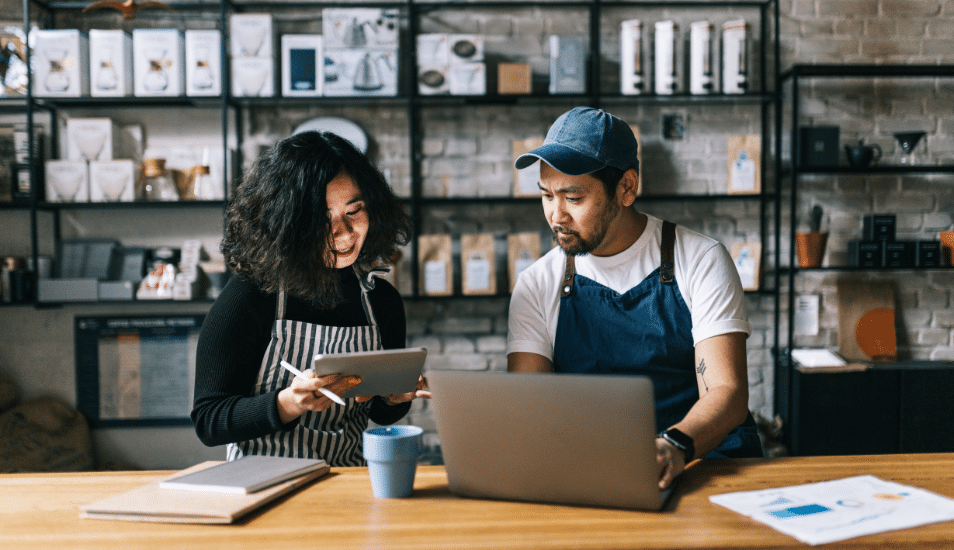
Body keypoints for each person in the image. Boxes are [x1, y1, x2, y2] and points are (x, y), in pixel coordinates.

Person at [508, 107, 763, 489]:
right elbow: (530, 407)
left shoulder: (701, 260)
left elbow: (726, 391)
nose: (556, 215)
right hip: (594, 468)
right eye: (546, 195)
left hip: (702, 462)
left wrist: (673, 446)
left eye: (573, 198)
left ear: (627, 187)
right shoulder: (536, 284)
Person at [192, 130, 428, 466]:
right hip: (261, 484)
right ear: (287, 224)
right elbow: (209, 421)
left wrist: (395, 397)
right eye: (322, 220)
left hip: (347, 483)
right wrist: (288, 403)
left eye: (355, 211)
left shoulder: (381, 301)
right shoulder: (250, 295)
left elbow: (380, 415)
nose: (345, 233)